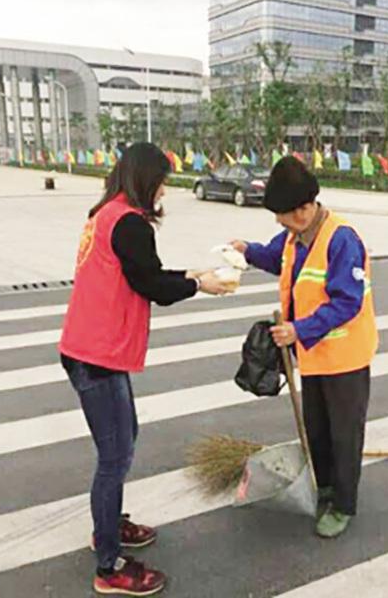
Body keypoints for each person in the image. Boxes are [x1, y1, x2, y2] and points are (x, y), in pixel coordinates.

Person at [59, 142, 228, 596]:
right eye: (162, 183)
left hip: (90, 348)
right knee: (114, 458)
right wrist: (199, 284)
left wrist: (190, 273)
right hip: (97, 355)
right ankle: (109, 564)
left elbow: (139, 273)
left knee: (123, 442)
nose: (164, 193)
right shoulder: (130, 223)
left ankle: (108, 524)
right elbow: (153, 284)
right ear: (145, 180)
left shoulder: (106, 214)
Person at [231, 156, 378, 539]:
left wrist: (299, 330)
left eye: (283, 215)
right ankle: (324, 485)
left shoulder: (342, 239)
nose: (279, 223)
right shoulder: (296, 236)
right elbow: (275, 257)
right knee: (317, 429)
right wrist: (246, 250)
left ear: (305, 208)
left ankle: (343, 505)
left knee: (344, 434)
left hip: (344, 357)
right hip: (313, 355)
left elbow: (348, 302)